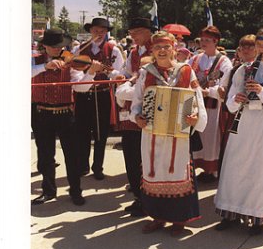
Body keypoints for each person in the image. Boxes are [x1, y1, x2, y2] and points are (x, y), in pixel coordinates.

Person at [130, 31, 207, 236]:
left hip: (178, 134)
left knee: (177, 172)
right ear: (152, 51)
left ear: (174, 48)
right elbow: (137, 102)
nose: (162, 51)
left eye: (166, 47)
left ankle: (179, 220)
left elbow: (196, 100)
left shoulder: (186, 71)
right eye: (157, 48)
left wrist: (194, 117)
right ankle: (158, 217)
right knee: (154, 173)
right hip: (152, 133)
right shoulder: (146, 72)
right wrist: (137, 117)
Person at [214, 26, 263, 235]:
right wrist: (237, 99)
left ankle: (258, 217)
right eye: (259, 43)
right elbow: (230, 100)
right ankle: (231, 212)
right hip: (245, 122)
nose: (261, 47)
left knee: (262, 169)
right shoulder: (245, 69)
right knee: (236, 165)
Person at [31, 28, 102, 206]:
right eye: (54, 47)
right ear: (45, 46)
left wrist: (91, 73)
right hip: (41, 113)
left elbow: (80, 88)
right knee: (45, 154)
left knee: (72, 155)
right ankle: (48, 191)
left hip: (65, 114)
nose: (58, 50)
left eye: (60, 47)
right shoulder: (34, 60)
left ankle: (75, 191)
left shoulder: (70, 62)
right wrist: (43, 67)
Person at [74, 18, 124, 180]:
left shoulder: (113, 50)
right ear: (90, 31)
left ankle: (98, 167)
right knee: (82, 132)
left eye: (103, 31)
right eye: (96, 31)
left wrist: (109, 73)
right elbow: (74, 70)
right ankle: (82, 166)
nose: (99, 34)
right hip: (83, 94)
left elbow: (117, 73)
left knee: (101, 133)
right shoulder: (79, 48)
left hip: (102, 93)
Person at [117, 17, 154, 216]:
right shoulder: (132, 52)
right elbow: (125, 73)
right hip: (131, 110)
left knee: (146, 157)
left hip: (148, 110)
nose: (132, 36)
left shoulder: (157, 50)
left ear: (148, 31)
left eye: (137, 31)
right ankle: (139, 196)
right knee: (131, 153)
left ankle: (148, 198)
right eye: (131, 32)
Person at [189, 26, 232, 182]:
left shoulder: (224, 61)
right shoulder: (195, 58)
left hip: (213, 105)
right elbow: (186, 73)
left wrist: (209, 91)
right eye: (202, 40)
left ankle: (211, 171)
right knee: (197, 134)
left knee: (211, 136)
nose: (204, 43)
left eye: (208, 40)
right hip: (195, 103)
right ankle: (195, 167)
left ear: (215, 41)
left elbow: (226, 84)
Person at [218, 34, 257, 175]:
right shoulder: (236, 69)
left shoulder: (262, 68)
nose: (246, 50)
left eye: (250, 46)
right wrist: (233, 98)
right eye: (243, 47)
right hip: (235, 115)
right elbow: (225, 91)